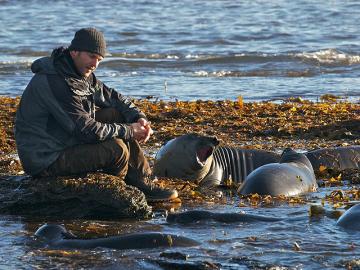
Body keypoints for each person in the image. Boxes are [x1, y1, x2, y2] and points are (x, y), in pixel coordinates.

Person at [15, 27, 178, 202]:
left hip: (63, 139)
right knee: (116, 150)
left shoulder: (81, 74)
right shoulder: (55, 81)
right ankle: (118, 195)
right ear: (74, 51)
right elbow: (86, 130)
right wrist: (129, 131)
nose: (95, 64)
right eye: (92, 56)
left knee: (115, 114)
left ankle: (142, 181)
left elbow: (115, 99)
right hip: (45, 157)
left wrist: (139, 118)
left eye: (99, 59)